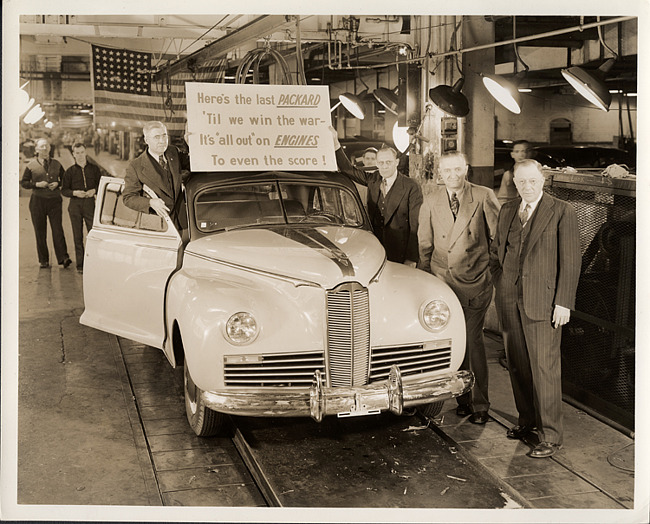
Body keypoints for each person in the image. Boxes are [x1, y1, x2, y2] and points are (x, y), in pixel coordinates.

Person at [489, 159, 581, 458]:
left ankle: (551, 435)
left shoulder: (562, 211)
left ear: (543, 180)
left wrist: (564, 302)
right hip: (508, 299)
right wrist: (501, 282)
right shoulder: (506, 210)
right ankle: (527, 421)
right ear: (513, 182)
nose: (527, 187)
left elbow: (570, 262)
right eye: (521, 182)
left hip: (543, 303)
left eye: (532, 181)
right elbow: (496, 253)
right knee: (516, 364)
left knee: (545, 368)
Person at [418, 151, 500, 424]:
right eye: (447, 170)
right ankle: (463, 399)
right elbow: (425, 245)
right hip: (443, 282)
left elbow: (497, 240)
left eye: (457, 169)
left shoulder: (484, 195)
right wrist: (428, 280)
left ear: (466, 169)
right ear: (439, 172)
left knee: (473, 341)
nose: (452, 175)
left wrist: (488, 271)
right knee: (452, 343)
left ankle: (479, 405)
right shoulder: (430, 200)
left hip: (475, 282)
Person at [331, 128, 422, 266]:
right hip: (376, 249)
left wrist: (412, 258)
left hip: (400, 252)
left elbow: (416, 225)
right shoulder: (373, 179)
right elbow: (348, 170)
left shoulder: (411, 186)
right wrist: (335, 143)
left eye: (388, 162)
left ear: (396, 162)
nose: (384, 167)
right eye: (381, 163)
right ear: (377, 163)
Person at [123, 121, 187, 230]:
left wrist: (189, 141)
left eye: (164, 135)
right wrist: (150, 202)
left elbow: (193, 165)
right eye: (157, 137)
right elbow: (128, 197)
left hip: (182, 221)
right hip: (158, 225)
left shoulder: (173, 152)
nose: (162, 141)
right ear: (146, 140)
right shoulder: (136, 166)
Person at [20, 137, 72, 269]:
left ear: (50, 148)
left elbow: (66, 180)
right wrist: (37, 184)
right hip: (37, 202)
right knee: (40, 231)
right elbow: (24, 183)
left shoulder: (57, 164)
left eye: (47, 146)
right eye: (42, 146)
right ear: (37, 150)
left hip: (54, 201)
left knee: (57, 229)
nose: (45, 149)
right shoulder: (31, 165)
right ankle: (44, 260)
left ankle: (63, 258)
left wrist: (58, 184)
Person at [61, 143, 102, 273]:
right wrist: (75, 193)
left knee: (92, 234)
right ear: (73, 154)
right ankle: (81, 265)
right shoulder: (70, 172)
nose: (79, 155)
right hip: (75, 205)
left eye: (82, 152)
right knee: (77, 235)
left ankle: (94, 262)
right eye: (77, 153)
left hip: (90, 203)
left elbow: (101, 184)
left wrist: (94, 191)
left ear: (86, 152)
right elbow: (64, 190)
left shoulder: (94, 169)